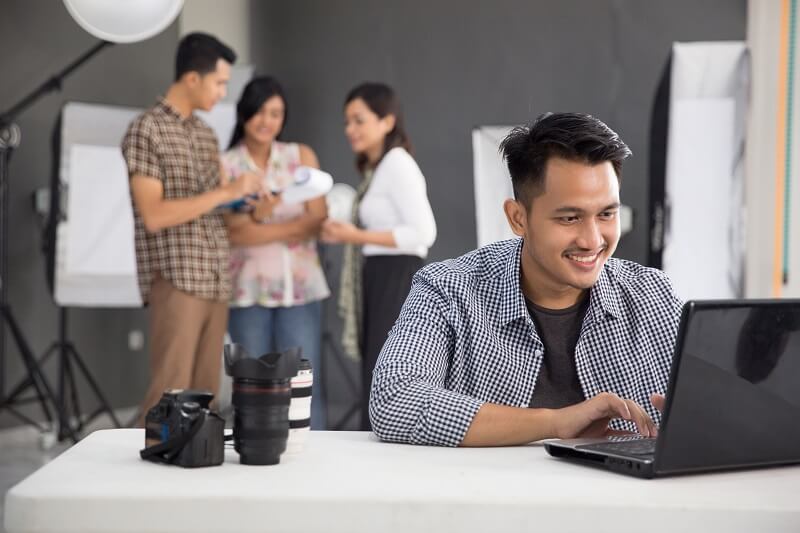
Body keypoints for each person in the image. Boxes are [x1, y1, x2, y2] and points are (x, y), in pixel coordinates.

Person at [369, 112, 683, 446]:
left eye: (606, 214)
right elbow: (394, 400)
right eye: (570, 218)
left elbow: (730, 408)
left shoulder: (653, 294)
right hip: (490, 496)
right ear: (518, 218)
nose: (592, 240)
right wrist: (556, 422)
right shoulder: (447, 290)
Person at [122, 33, 263, 426]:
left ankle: (194, 476)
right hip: (177, 276)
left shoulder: (205, 134)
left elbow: (212, 203)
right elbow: (154, 214)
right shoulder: (145, 130)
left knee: (207, 400)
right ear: (192, 79)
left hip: (216, 275)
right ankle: (142, 482)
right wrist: (226, 191)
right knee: (168, 396)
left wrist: (241, 200)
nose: (223, 93)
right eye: (219, 83)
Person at [321, 82, 437, 430]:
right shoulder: (378, 169)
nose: (350, 130)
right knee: (376, 371)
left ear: (387, 121)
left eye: (359, 120)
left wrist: (354, 235)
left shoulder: (398, 164)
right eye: (346, 122)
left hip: (396, 275)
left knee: (386, 373)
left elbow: (424, 233)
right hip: (378, 274)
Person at [222, 76, 330, 430]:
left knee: (303, 386)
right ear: (244, 113)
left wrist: (261, 219)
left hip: (300, 288)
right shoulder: (227, 164)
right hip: (247, 290)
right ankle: (255, 457)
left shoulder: (301, 157)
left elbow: (317, 219)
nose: (266, 121)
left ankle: (312, 465)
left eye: (276, 113)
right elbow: (232, 231)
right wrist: (286, 224)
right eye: (259, 112)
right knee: (253, 384)